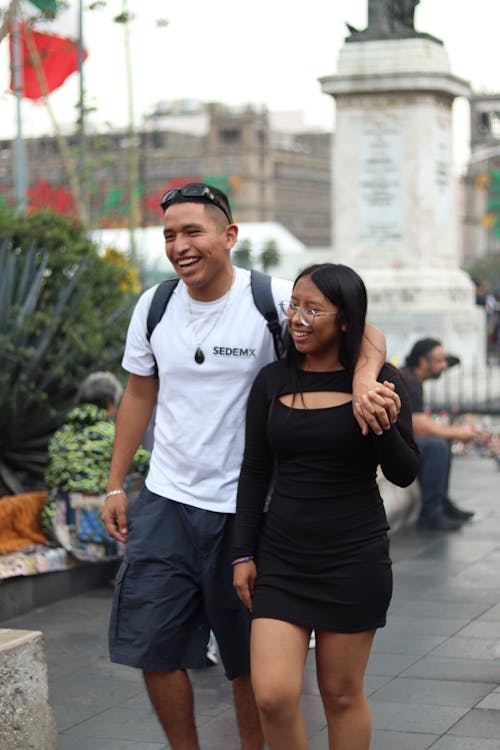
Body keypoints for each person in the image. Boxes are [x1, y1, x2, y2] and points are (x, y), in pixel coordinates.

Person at [101, 183, 401, 750]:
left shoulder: (274, 299)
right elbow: (140, 393)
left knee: (250, 666)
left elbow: (365, 332)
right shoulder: (155, 304)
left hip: (250, 508)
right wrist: (117, 483)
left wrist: (364, 380)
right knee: (152, 644)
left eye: (193, 231)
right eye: (169, 235)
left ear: (228, 235)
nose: (180, 246)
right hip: (167, 498)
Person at [232, 263, 419, 750]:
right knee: (271, 695)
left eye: (313, 309)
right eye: (294, 305)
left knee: (340, 695)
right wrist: (242, 553)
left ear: (344, 320)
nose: (297, 317)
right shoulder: (272, 381)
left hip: (353, 558)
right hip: (282, 559)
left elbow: (404, 472)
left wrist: (380, 419)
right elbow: (255, 471)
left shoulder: (382, 381)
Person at [43, 372, 149, 558]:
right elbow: (147, 466)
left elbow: (50, 479)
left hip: (61, 528)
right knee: (139, 486)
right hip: (104, 530)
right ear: (110, 403)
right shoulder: (114, 433)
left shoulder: (61, 435)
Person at [399, 338, 478, 531]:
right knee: (436, 446)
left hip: (401, 438)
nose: (444, 365)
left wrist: (452, 433)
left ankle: (442, 502)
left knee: (441, 442)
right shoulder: (407, 380)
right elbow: (419, 426)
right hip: (393, 441)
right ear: (423, 361)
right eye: (439, 360)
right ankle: (430, 513)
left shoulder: (412, 379)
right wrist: (457, 432)